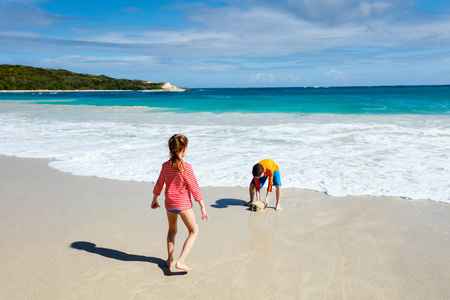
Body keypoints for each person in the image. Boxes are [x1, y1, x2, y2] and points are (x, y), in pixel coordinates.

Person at [151, 134, 208, 271]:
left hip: (169, 203)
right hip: (183, 205)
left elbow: (159, 183)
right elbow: (194, 187)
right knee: (194, 231)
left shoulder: (165, 166)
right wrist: (202, 207)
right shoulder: (186, 167)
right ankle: (180, 261)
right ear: (184, 150)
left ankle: (170, 259)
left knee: (172, 230)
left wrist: (154, 200)